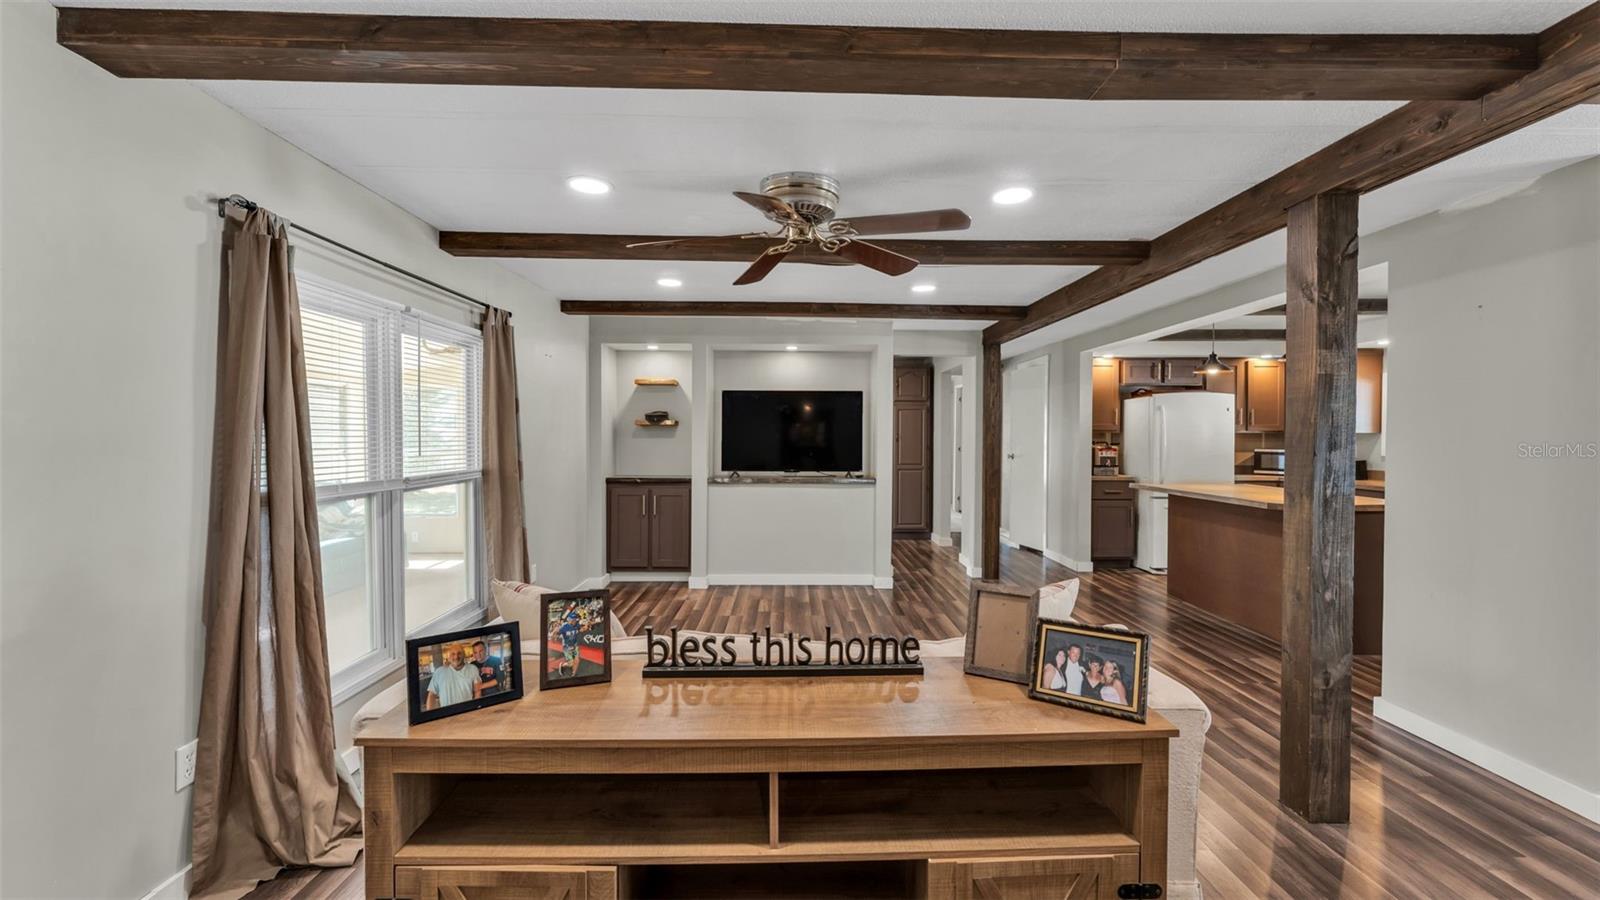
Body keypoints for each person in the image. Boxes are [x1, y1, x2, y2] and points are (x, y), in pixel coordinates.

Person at [424, 645, 479, 709]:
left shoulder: (473, 669)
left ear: (464, 655)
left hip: (467, 711)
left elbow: (477, 691)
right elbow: (431, 694)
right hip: (447, 713)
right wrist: (430, 713)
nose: (456, 657)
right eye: (453, 654)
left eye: (459, 653)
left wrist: (475, 709)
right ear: (449, 656)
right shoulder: (439, 672)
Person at [551, 606, 584, 677]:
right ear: (569, 619)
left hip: (575, 645)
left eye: (575, 619)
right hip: (567, 647)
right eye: (573, 620)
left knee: (577, 660)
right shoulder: (564, 627)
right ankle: (562, 665)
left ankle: (573, 674)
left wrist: (585, 626)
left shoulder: (577, 625)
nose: (574, 621)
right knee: (570, 663)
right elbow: (555, 634)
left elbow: (581, 629)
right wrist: (554, 633)